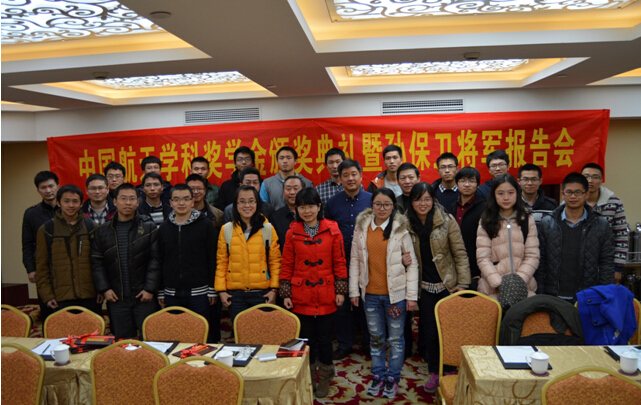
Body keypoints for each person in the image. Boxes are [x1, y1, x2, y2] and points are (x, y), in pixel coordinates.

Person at [349, 187, 418, 399]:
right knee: (376, 339)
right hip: (370, 295)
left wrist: (411, 296)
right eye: (378, 204)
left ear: (393, 206)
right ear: (372, 205)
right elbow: (354, 261)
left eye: (387, 204)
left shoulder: (401, 230)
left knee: (396, 339)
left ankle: (393, 377)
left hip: (395, 296)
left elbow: (412, 265)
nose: (382, 208)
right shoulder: (361, 228)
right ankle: (378, 374)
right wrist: (353, 290)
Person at [279, 187, 348, 398]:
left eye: (310, 206)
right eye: (302, 207)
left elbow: (339, 262)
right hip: (301, 294)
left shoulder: (333, 230)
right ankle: (308, 376)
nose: (306, 211)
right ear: (296, 209)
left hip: (326, 293)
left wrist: (340, 290)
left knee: (325, 339)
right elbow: (287, 264)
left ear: (319, 207)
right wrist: (286, 293)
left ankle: (325, 376)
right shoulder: (292, 233)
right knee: (306, 339)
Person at [405, 182, 470, 393]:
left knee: (449, 331)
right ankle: (435, 371)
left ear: (433, 200)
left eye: (427, 199)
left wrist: (463, 284)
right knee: (430, 333)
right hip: (423, 287)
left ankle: (450, 369)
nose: (422, 204)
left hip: (447, 285)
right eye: (418, 200)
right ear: (411, 202)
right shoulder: (405, 224)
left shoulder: (446, 221)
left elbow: (460, 253)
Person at [91, 184, 160, 339]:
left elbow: (155, 260)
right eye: (123, 198)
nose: (128, 202)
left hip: (144, 296)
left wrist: (149, 289)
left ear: (138, 202)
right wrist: (105, 289)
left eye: (132, 199)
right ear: (115, 202)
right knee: (123, 342)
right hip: (116, 297)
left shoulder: (149, 227)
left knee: (151, 340)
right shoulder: (103, 230)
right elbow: (97, 263)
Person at [536, 173, 615, 303]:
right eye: (569, 192)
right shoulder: (548, 223)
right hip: (554, 295)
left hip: (588, 297)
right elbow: (541, 262)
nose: (573, 196)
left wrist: (603, 294)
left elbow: (606, 263)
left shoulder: (601, 225)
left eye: (578, 192)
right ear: (562, 194)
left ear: (586, 194)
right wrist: (541, 293)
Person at [157, 184, 218, 340]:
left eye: (185, 199)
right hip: (171, 294)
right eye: (177, 199)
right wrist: (161, 290)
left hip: (200, 294)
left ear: (192, 201)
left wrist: (212, 288)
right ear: (170, 202)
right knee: (176, 335)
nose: (181, 203)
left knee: (201, 336)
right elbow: (160, 260)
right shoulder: (164, 228)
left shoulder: (206, 225)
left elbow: (213, 258)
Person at [325, 159, 372, 360]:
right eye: (346, 175)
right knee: (342, 306)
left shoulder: (372, 200)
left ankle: (368, 343)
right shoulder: (332, 203)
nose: (350, 178)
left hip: (367, 263)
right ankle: (345, 344)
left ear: (361, 176)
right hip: (340, 264)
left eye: (354, 174)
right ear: (340, 178)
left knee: (366, 304)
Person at [215, 186, 282, 324]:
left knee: (262, 333)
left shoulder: (267, 228)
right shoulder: (226, 229)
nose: (247, 205)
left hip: (262, 293)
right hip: (236, 296)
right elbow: (222, 262)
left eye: (251, 201)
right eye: (242, 201)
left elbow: (275, 261)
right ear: (236, 204)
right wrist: (221, 290)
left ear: (257, 204)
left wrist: (274, 290)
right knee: (240, 334)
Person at [35, 185, 103, 315]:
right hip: (60, 296)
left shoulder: (91, 226)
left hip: (90, 295)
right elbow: (41, 267)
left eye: (75, 201)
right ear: (58, 203)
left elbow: (100, 263)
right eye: (66, 201)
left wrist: (101, 289)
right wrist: (47, 295)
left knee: (93, 328)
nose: (71, 205)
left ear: (81, 203)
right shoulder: (46, 230)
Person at [476, 174, 539, 301]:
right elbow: (483, 258)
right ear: (494, 195)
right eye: (500, 193)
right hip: (493, 289)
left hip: (524, 287)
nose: (506, 197)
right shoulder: (486, 219)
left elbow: (533, 255)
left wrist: (517, 283)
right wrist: (499, 284)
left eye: (510, 192)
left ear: (517, 193)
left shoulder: (526, 219)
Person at [22, 171, 60, 321]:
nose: (48, 190)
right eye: (43, 187)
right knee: (48, 310)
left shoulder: (69, 209)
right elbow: (27, 243)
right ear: (38, 190)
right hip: (44, 268)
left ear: (58, 186)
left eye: (51, 186)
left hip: (66, 266)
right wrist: (30, 268)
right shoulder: (31, 213)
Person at [582, 163, 628, 283]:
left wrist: (618, 267)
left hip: (606, 265)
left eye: (595, 177)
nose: (590, 180)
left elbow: (621, 237)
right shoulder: (572, 202)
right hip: (578, 264)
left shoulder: (615, 203)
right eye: (586, 176)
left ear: (601, 180)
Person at [447, 167, 486, 291]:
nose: (467, 184)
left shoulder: (485, 208)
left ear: (478, 185)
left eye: (471, 181)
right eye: (463, 181)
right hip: (454, 269)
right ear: (457, 184)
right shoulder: (451, 208)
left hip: (477, 271)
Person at [260, 146, 312, 210]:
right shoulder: (267, 184)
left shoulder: (307, 183)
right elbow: (263, 208)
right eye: (281, 158)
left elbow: (311, 206)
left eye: (288, 158)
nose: (285, 161)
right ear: (277, 162)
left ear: (295, 161)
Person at [217, 146, 255, 210]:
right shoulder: (226, 186)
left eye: (247, 159)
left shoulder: (259, 183)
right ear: (235, 163)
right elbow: (222, 208)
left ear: (252, 163)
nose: (244, 162)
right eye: (240, 159)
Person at [272, 176, 304, 253]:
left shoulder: (310, 214)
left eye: (296, 188)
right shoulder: (275, 217)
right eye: (288, 189)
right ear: (283, 192)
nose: (292, 192)